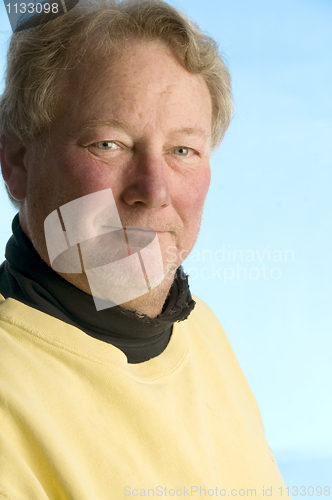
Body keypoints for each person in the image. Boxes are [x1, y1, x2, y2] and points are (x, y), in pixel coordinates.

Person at [0, 0, 286, 497]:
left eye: (182, 150)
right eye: (109, 144)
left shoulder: (202, 332)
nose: (153, 191)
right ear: (19, 161)